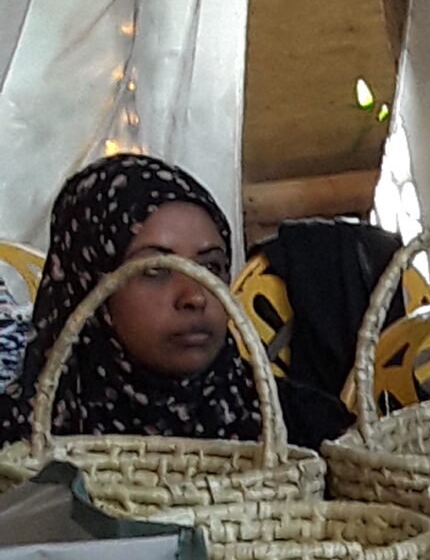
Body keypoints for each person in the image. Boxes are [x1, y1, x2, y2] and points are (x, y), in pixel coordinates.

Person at [0, 154, 348, 450]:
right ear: (87, 283)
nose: (195, 295)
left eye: (211, 267)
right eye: (155, 270)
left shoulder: (306, 432)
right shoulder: (20, 445)